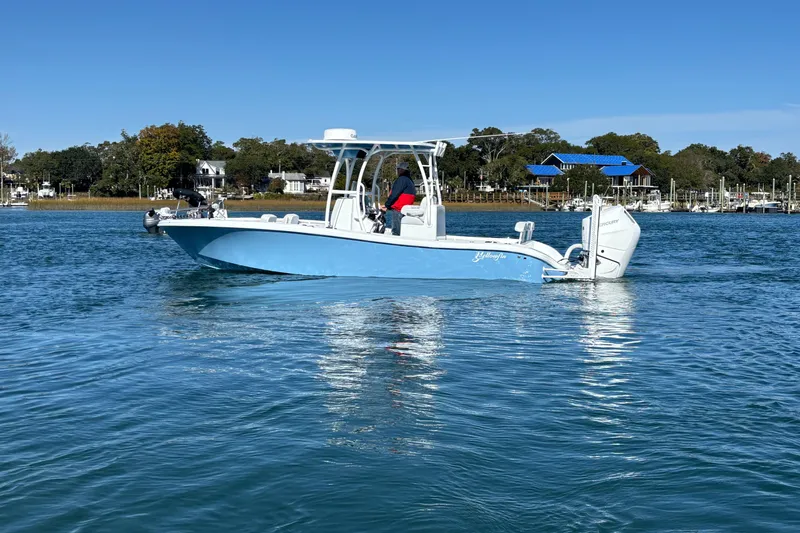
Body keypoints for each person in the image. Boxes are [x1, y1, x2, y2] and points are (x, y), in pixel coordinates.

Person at [381, 162, 416, 235]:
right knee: (402, 231)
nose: (397, 171)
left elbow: (394, 194)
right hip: (404, 210)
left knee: (396, 232)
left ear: (402, 170)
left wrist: (387, 205)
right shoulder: (409, 180)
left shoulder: (402, 179)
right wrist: (388, 207)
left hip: (399, 210)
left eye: (398, 169)